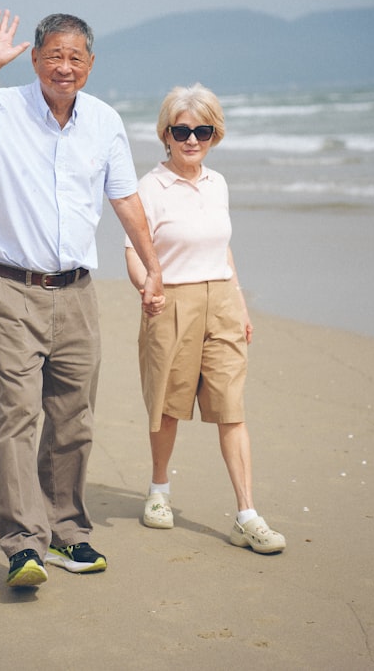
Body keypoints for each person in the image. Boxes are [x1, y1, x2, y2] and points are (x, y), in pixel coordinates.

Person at [0, 9, 164, 587]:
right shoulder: (1, 105)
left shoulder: (104, 121)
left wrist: (154, 266)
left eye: (75, 58)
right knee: (19, 412)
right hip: (13, 287)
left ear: (89, 66)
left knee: (73, 419)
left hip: (77, 293)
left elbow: (126, 200)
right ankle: (22, 544)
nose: (63, 67)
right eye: (53, 56)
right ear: (36, 59)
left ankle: (67, 532)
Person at [125, 83, 286, 554]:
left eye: (202, 130)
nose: (191, 139)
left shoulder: (219, 184)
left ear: (215, 134)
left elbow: (223, 249)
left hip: (222, 304)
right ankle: (158, 492)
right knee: (168, 406)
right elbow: (135, 252)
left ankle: (247, 515)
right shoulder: (148, 187)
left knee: (231, 409)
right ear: (166, 134)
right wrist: (146, 287)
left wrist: (239, 303)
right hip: (171, 300)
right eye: (181, 130)